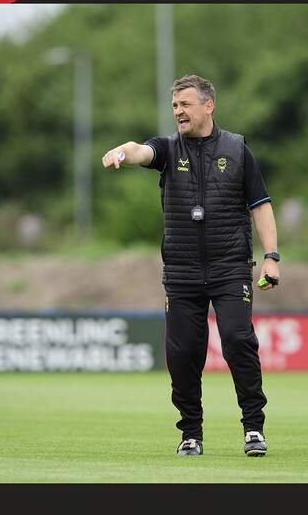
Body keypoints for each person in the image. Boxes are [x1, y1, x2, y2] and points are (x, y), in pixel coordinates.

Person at [101, 75, 280, 457]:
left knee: (237, 341)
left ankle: (253, 428)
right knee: (182, 354)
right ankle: (191, 433)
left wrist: (271, 258)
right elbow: (140, 150)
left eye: (185, 104)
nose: (178, 112)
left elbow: (261, 205)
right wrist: (123, 152)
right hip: (181, 273)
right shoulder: (168, 148)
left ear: (208, 105)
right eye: (174, 106)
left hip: (230, 267)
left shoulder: (237, 149)